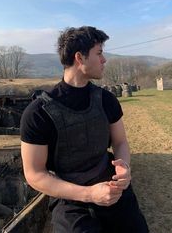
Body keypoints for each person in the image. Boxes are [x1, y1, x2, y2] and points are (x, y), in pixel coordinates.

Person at [20, 26, 149, 233]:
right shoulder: (37, 113)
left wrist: (123, 166)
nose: (104, 60)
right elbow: (34, 174)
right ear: (80, 58)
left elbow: (120, 142)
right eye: (99, 53)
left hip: (112, 186)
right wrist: (89, 194)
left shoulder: (107, 100)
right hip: (70, 198)